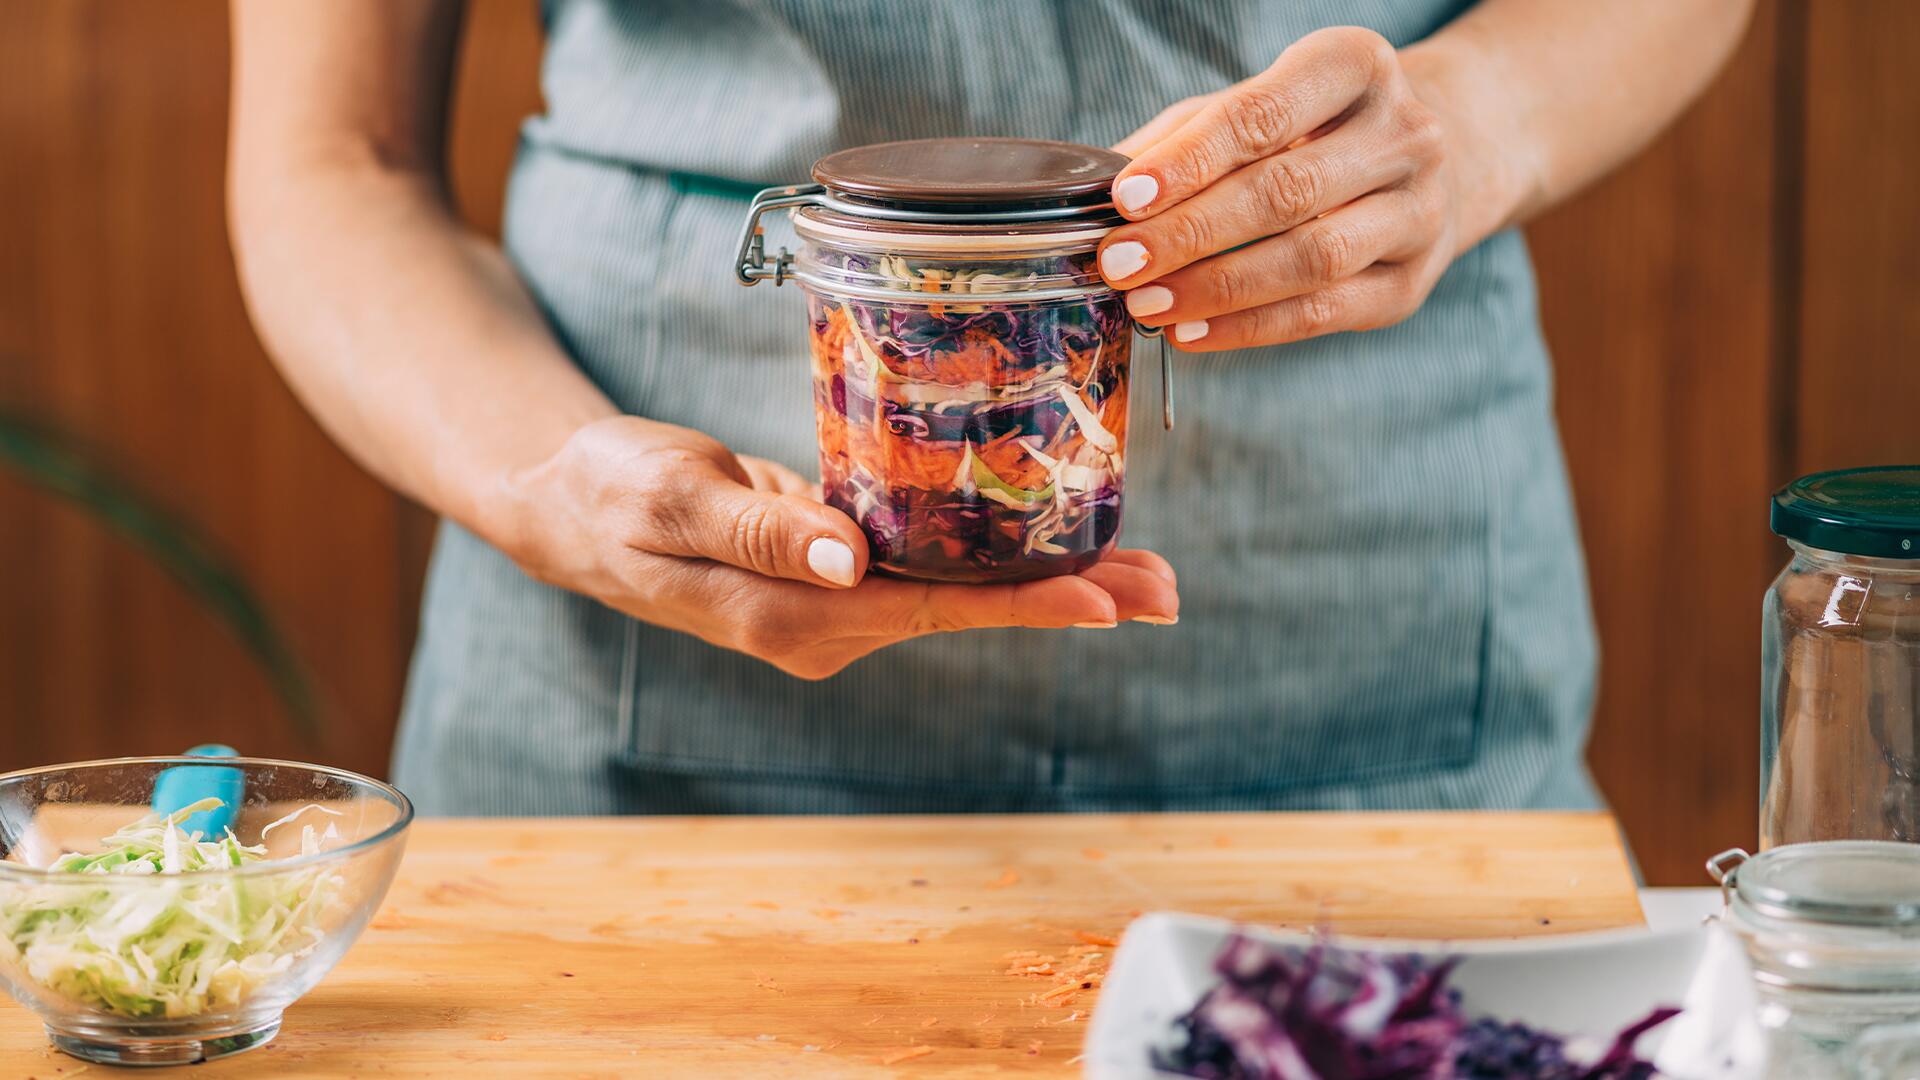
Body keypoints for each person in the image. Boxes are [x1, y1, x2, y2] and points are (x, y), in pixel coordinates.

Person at [228, 1, 1755, 816]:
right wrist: (549, 475)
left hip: (1371, 672)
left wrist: (1479, 118)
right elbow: (333, 159)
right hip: (636, 721)